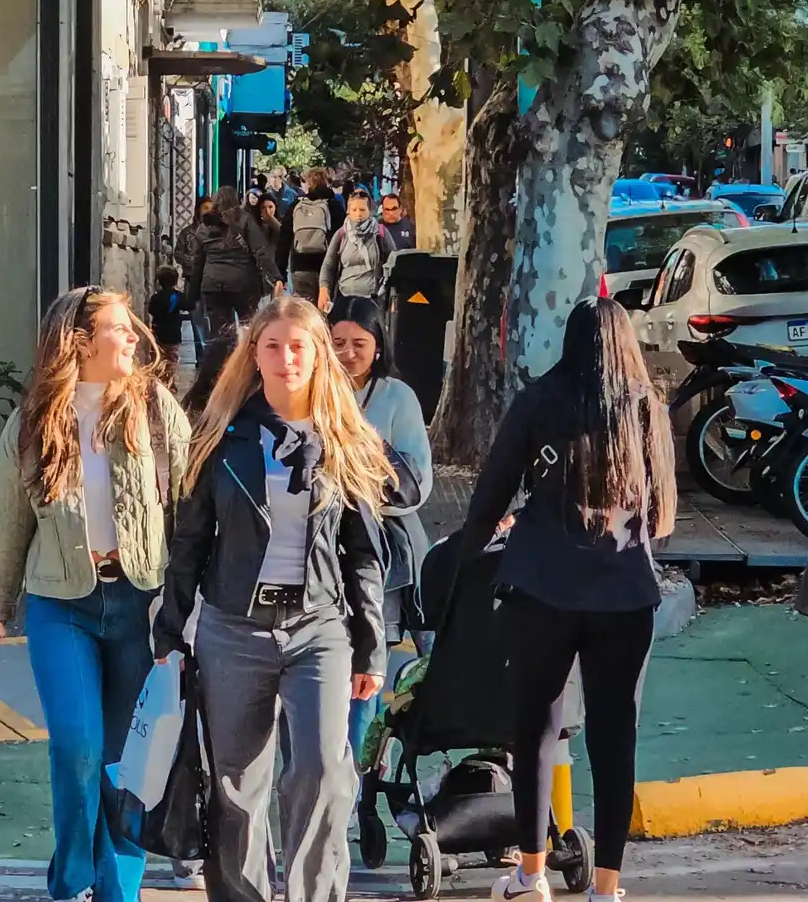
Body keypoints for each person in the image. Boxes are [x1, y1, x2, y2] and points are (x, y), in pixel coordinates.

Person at [155, 296, 406, 902]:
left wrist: (371, 647)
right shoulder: (220, 436)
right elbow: (188, 543)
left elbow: (365, 553)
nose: (287, 358)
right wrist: (168, 632)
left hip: (318, 628)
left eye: (299, 347)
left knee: (322, 772)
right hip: (232, 628)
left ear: (318, 355)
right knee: (237, 785)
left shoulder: (346, 439)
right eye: (273, 346)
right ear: (255, 355)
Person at [452, 297, 676, 902]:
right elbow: (659, 515)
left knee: (535, 731)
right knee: (614, 735)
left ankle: (531, 874)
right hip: (625, 594)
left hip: (541, 588)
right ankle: (607, 885)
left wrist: (469, 557)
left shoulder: (538, 401)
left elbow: (491, 491)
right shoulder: (644, 409)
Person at [0, 287, 191, 902]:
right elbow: (8, 524)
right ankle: (71, 874)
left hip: (141, 603)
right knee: (77, 746)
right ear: (79, 340)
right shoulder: (33, 420)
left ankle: (118, 889)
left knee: (125, 764)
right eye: (119, 329)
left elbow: (188, 513)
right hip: (60, 604)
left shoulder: (156, 410)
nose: (134, 339)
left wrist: (190, 606)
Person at [328, 295, 435, 764]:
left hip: (383, 552)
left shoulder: (397, 396)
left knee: (366, 672)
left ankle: (359, 778)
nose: (348, 353)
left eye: (359, 343)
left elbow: (416, 484)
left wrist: (355, 467)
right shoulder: (309, 390)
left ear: (378, 345)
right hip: (318, 550)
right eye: (338, 342)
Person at [189, 185, 281, 339]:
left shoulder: (204, 227)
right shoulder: (245, 220)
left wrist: (193, 293)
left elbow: (197, 262)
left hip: (213, 284)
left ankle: (221, 361)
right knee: (248, 327)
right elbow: (260, 251)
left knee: (220, 333)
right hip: (243, 283)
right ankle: (246, 360)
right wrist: (276, 276)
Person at [275, 168, 347, 302]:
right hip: (327, 268)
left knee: (305, 312)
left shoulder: (296, 206)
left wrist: (280, 274)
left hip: (301, 267)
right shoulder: (334, 206)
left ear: (308, 183)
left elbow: (283, 240)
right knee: (326, 310)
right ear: (327, 182)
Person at [318, 189, 395, 311]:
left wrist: (393, 298)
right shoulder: (341, 234)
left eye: (362, 210)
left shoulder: (380, 233)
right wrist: (323, 290)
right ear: (348, 211)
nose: (358, 214)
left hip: (373, 301)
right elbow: (328, 265)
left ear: (370, 211)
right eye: (354, 210)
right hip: (344, 299)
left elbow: (393, 265)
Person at [174, 196, 214, 362]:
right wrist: (192, 262)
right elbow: (178, 253)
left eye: (211, 208)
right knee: (196, 318)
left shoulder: (217, 232)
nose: (208, 211)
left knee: (211, 319)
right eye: (205, 207)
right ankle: (201, 355)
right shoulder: (187, 233)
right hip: (192, 281)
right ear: (198, 209)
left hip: (211, 281)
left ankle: (213, 355)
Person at [146, 264, 189, 376]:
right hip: (174, 334)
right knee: (172, 357)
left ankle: (158, 377)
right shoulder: (178, 296)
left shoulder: (156, 297)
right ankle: (170, 378)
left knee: (157, 356)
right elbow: (189, 305)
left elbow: (151, 310)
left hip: (158, 332)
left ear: (159, 281)